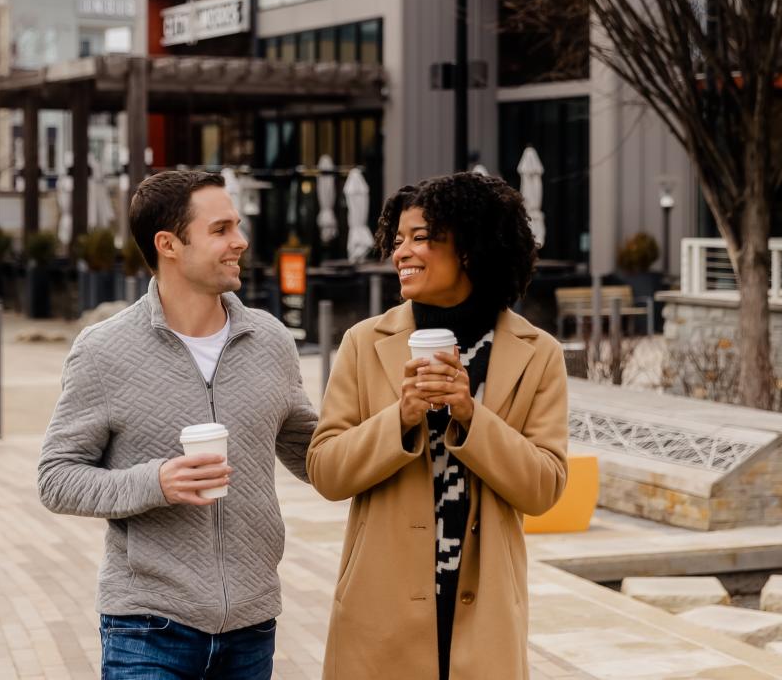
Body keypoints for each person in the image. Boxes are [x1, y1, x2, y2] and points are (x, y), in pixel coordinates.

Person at [38, 169, 318, 680]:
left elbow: (315, 453)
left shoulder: (271, 341)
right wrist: (156, 481)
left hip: (252, 625)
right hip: (148, 627)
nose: (241, 240)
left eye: (236, 225)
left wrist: (399, 421)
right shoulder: (104, 351)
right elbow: (56, 478)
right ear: (168, 244)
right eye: (221, 230)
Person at [306, 172, 569, 680]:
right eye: (398, 239)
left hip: (485, 615)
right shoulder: (365, 343)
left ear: (470, 247)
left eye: (421, 237)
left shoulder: (538, 354)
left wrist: (470, 416)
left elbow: (544, 488)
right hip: (378, 614)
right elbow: (325, 471)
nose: (401, 251)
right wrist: (400, 419)